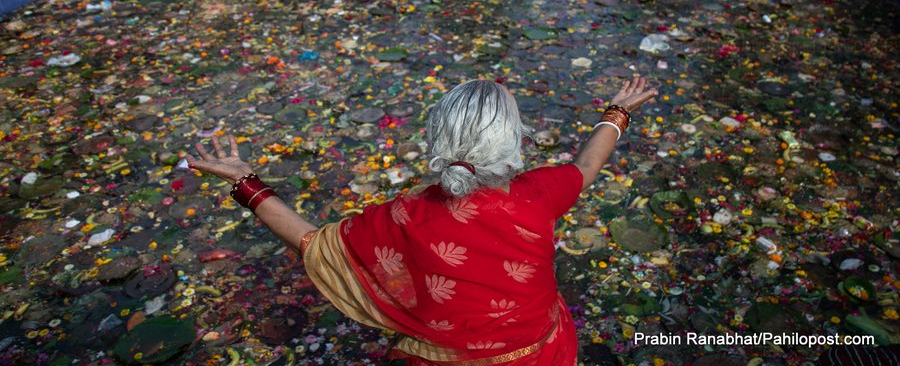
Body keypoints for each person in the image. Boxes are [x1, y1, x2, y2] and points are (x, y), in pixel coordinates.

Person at [186, 77, 659, 365]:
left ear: (436, 139)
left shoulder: (405, 215)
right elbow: (588, 164)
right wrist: (616, 112)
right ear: (514, 143)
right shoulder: (537, 194)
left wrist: (246, 184)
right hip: (539, 353)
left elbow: (313, 243)